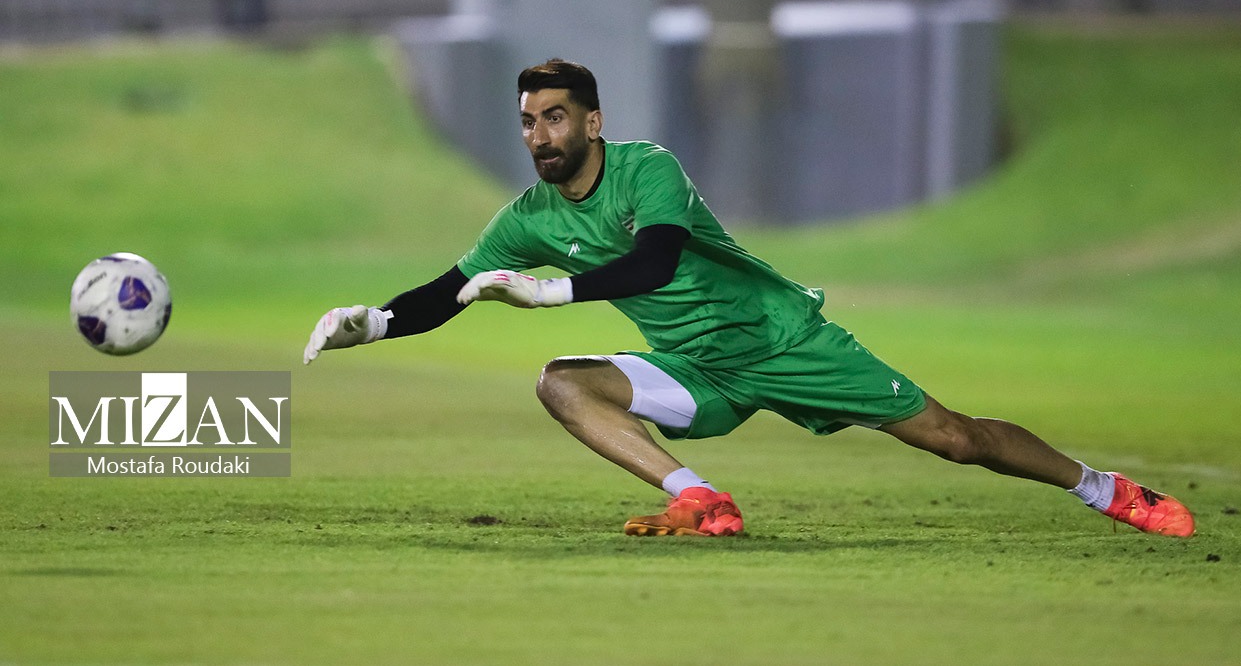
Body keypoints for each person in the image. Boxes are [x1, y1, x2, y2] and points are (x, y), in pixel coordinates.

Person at [303, 58, 1195, 539]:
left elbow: (655, 264)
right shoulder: (527, 218)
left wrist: (551, 292)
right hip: (700, 371)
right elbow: (450, 291)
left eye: (556, 117)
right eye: (529, 120)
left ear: (594, 122)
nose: (540, 134)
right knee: (561, 383)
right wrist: (372, 323)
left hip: (782, 340)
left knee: (955, 439)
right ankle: (701, 499)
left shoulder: (646, 170)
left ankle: (1105, 489)